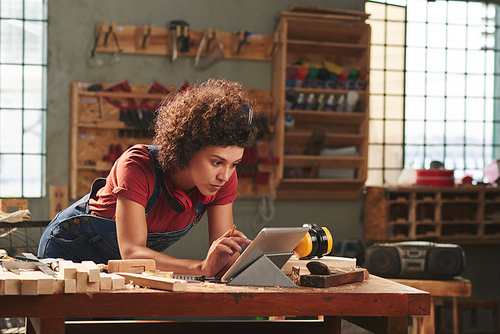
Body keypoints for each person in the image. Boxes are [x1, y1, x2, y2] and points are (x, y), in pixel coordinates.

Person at [38, 78, 257, 278]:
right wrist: (200, 268)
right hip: (69, 252)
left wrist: (241, 262)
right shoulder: (136, 165)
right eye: (216, 162)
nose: (225, 175)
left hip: (126, 266)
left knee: (116, 322)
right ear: (188, 149)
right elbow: (132, 252)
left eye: (234, 164)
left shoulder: (225, 176)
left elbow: (223, 256)